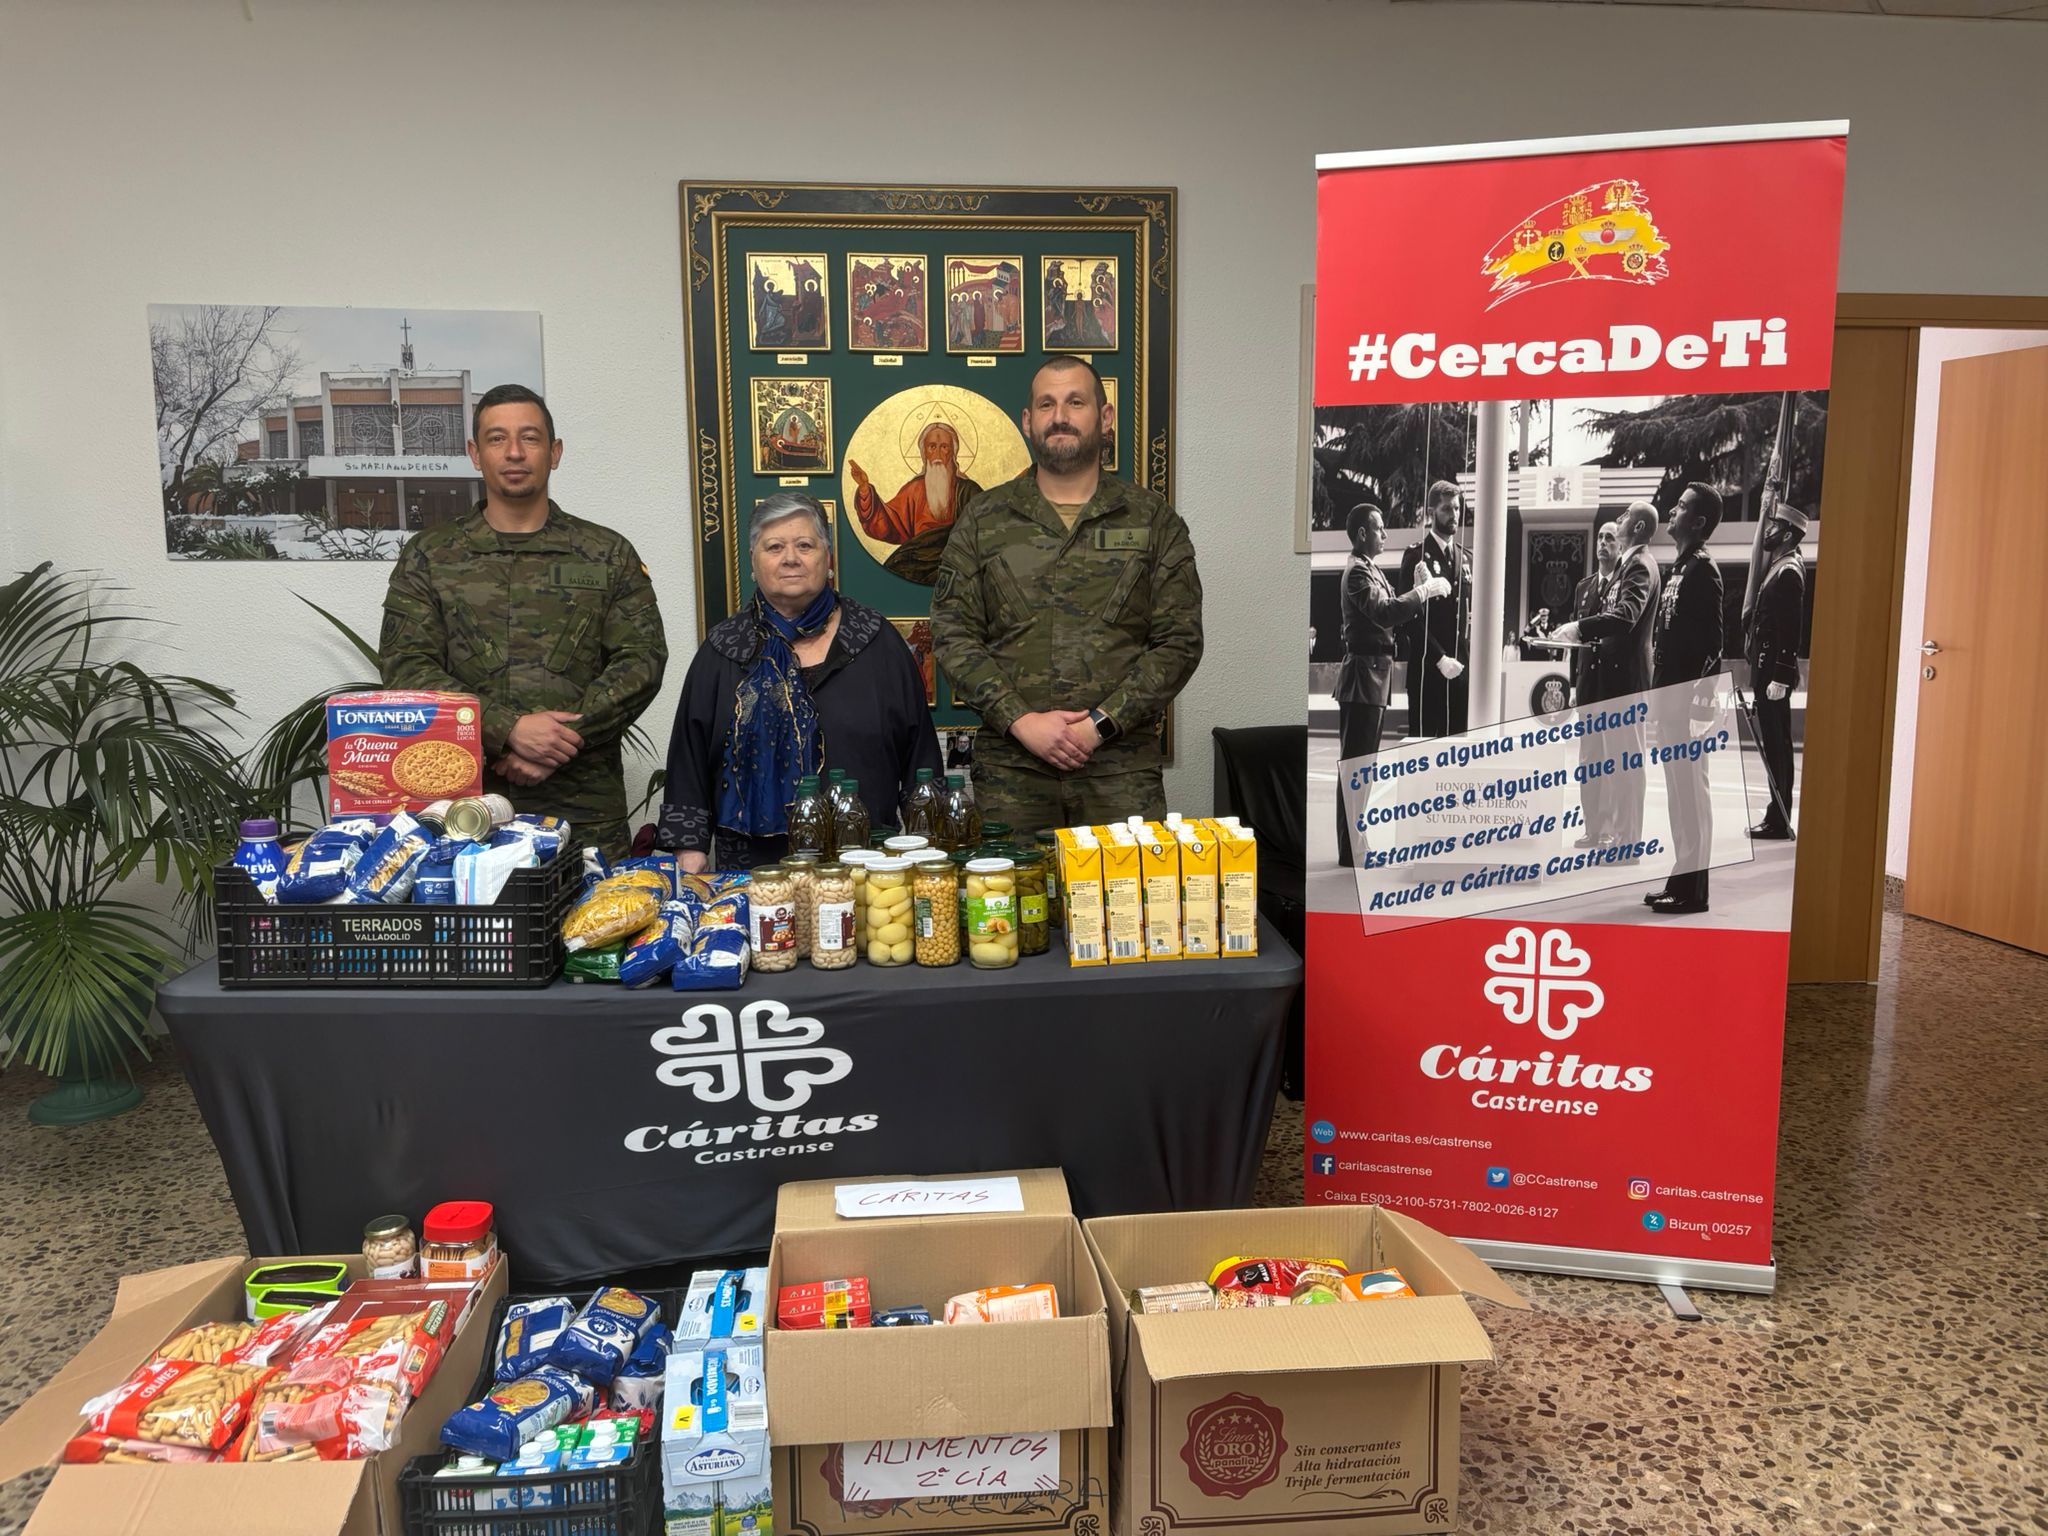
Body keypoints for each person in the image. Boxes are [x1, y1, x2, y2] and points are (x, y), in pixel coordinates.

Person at [379, 384, 666, 857]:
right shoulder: (430, 556)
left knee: (594, 929)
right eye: (497, 439)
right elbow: (406, 667)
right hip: (462, 808)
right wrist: (507, 728)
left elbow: (643, 660)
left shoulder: (606, 553)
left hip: (585, 812)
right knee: (473, 930)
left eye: (530, 438)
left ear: (554, 453)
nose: (514, 452)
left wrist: (561, 738)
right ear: (475, 453)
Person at [932, 354, 1203, 833]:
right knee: (1009, 907)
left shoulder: (1152, 520)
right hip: (1013, 773)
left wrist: (1097, 725)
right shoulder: (983, 520)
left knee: (1126, 906)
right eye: (1046, 404)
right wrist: (1022, 721)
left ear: (1104, 417)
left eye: (1076, 402)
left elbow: (1179, 642)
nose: (1060, 416)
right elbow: (953, 635)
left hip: (1121, 774)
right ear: (1027, 421)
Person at [658, 493, 941, 870]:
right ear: (754, 563)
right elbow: (688, 767)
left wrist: (928, 858)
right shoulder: (723, 651)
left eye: (805, 545)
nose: (790, 558)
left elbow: (921, 759)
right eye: (774, 547)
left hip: (867, 868)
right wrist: (690, 865)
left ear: (829, 560)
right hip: (756, 873)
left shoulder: (877, 641)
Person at [1334, 503, 1447, 866]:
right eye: (1380, 529)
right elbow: (1383, 612)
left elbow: (1389, 610)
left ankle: (1356, 842)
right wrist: (1424, 592)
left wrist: (1415, 590)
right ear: (1363, 533)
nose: (1385, 535)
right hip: (1363, 676)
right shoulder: (1357, 573)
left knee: (1362, 768)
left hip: (1374, 674)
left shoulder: (1369, 569)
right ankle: (1351, 848)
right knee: (1357, 768)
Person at [1551, 501, 1661, 854]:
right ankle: (1606, 833)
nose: (1619, 520)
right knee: (1596, 762)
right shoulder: (1626, 568)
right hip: (1603, 685)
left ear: (1639, 527)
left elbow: (1626, 616)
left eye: (1625, 517)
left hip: (1624, 684)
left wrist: (1578, 627)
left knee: (1626, 766)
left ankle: (1627, 842)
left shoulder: (1639, 566)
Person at [1646, 483, 1727, 915]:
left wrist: (1701, 705)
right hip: (1670, 700)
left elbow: (1714, 644)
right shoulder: (1680, 567)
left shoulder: (1704, 570)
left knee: (1692, 797)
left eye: (1680, 507)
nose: (1671, 512)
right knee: (1679, 796)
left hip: (1688, 707)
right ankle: (1680, 882)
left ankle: (1694, 892)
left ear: (1697, 523)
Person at [847, 421, 985, 584]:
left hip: (959, 563)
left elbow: (987, 526)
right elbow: (889, 523)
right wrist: (864, 489)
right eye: (932, 447)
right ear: (924, 452)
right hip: (915, 563)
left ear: (953, 452)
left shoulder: (969, 490)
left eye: (944, 447)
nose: (938, 454)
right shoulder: (914, 489)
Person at [1744, 503, 1807, 839]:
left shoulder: (1788, 572)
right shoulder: (1779, 566)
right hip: (1766, 668)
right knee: (1773, 746)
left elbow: (1790, 630)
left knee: (1778, 748)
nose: (1766, 532)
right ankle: (1775, 814)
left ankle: (1780, 820)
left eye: (1773, 527)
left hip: (1773, 672)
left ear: (1785, 533)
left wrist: (1781, 675)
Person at [1398, 480, 1473, 737]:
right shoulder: (1416, 556)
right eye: (1447, 509)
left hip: (1460, 674)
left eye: (1457, 508)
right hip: (1428, 673)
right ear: (1431, 513)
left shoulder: (1467, 559)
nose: (1454, 515)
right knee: (1424, 758)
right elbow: (1408, 618)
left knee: (1458, 761)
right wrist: (1439, 658)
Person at [1566, 519, 1619, 848]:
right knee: (1588, 761)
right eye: (1600, 537)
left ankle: (1608, 829)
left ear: (1620, 546)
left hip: (1612, 684)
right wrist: (1573, 685)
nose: (1603, 543)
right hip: (1587, 685)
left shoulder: (1624, 583)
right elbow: (1576, 644)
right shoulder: (1584, 587)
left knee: (1610, 760)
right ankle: (1591, 828)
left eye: (1610, 538)